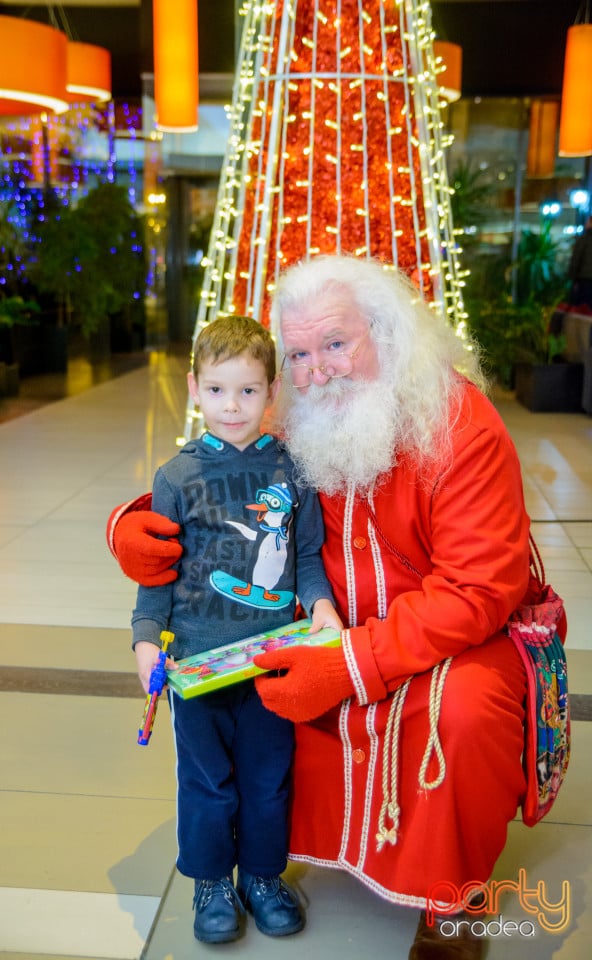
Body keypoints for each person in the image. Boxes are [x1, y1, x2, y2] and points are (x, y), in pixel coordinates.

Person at [109, 256, 531, 960]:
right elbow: (213, 465)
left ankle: (453, 898)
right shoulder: (289, 406)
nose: (317, 370)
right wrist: (134, 523)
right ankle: (254, 868)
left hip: (447, 635)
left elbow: (480, 587)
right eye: (299, 354)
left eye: (336, 343)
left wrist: (353, 662)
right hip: (317, 623)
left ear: (387, 335)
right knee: (237, 712)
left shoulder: (461, 422)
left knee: (463, 712)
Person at [129, 315, 342, 945]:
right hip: (197, 665)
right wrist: (146, 640)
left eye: (248, 391)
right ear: (194, 388)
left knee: (268, 777)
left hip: (274, 662)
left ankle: (262, 876)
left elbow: (305, 559)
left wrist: (321, 606)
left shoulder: (293, 470)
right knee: (205, 781)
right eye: (218, 390)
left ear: (272, 391)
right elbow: (156, 573)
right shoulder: (176, 477)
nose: (232, 406)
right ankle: (211, 880)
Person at [569, 215, 592, 310]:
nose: (586, 224)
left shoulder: (584, 239)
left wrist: (572, 278)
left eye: (588, 222)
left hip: (584, 280)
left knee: (582, 310)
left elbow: (576, 260)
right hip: (585, 279)